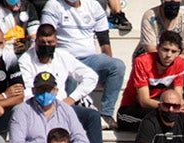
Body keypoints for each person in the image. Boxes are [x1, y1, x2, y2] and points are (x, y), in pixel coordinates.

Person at [19, 23, 105, 143]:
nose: (46, 45)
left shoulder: (63, 56)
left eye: (50, 42)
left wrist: (71, 99)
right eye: (42, 42)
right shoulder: (25, 60)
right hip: (37, 109)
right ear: (35, 42)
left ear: (56, 41)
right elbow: (28, 91)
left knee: (92, 116)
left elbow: (91, 77)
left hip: (63, 107)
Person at [41, 0, 127, 128]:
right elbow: (47, 35)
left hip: (90, 59)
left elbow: (104, 40)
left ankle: (106, 114)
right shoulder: (53, 5)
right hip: (65, 59)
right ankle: (71, 116)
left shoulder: (93, 5)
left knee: (117, 66)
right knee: (70, 77)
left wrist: (105, 70)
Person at [117, 30, 184, 131]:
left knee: (183, 120)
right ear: (158, 48)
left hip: (160, 107)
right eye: (165, 49)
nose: (168, 55)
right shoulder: (142, 62)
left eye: (173, 51)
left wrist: (183, 105)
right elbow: (144, 101)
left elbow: (178, 96)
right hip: (131, 110)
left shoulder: (179, 63)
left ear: (179, 52)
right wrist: (170, 107)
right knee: (155, 122)